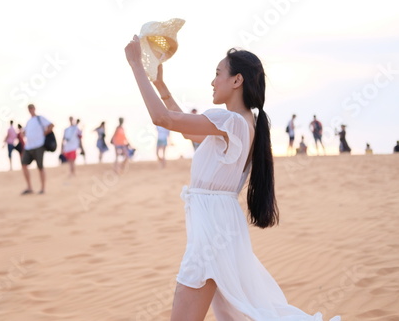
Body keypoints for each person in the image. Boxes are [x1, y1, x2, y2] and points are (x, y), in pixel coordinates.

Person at [125, 36, 340, 321]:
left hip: (212, 228)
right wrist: (160, 85)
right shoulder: (241, 124)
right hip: (219, 223)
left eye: (217, 74)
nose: (212, 82)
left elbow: (163, 119)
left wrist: (135, 64)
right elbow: (189, 131)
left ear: (236, 80)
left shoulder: (231, 122)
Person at [21, 104, 54, 195]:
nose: (30, 110)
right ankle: (29, 187)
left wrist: (44, 133)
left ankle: (43, 188)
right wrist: (23, 133)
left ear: (34, 108)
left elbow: (51, 125)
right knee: (24, 164)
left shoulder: (40, 118)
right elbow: (23, 132)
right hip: (28, 146)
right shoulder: (28, 121)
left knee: (40, 167)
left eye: (31, 108)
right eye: (29, 108)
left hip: (39, 145)